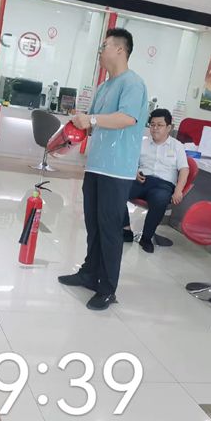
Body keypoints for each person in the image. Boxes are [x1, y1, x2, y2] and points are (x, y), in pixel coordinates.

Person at [58, 28, 148, 310]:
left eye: (104, 46)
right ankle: (89, 273)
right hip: (96, 166)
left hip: (117, 170)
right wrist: (80, 123)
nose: (100, 51)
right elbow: (94, 122)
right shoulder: (103, 86)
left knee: (109, 229)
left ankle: (108, 288)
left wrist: (93, 120)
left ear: (120, 49)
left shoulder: (133, 84)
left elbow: (127, 118)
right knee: (93, 224)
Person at [122, 109, 189, 253]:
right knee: (118, 191)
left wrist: (178, 190)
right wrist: (134, 171)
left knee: (160, 200)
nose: (155, 128)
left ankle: (146, 238)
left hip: (163, 185)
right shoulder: (143, 143)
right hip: (142, 180)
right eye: (152, 124)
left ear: (169, 127)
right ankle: (126, 229)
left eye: (160, 125)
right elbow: (131, 162)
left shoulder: (177, 146)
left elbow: (184, 170)